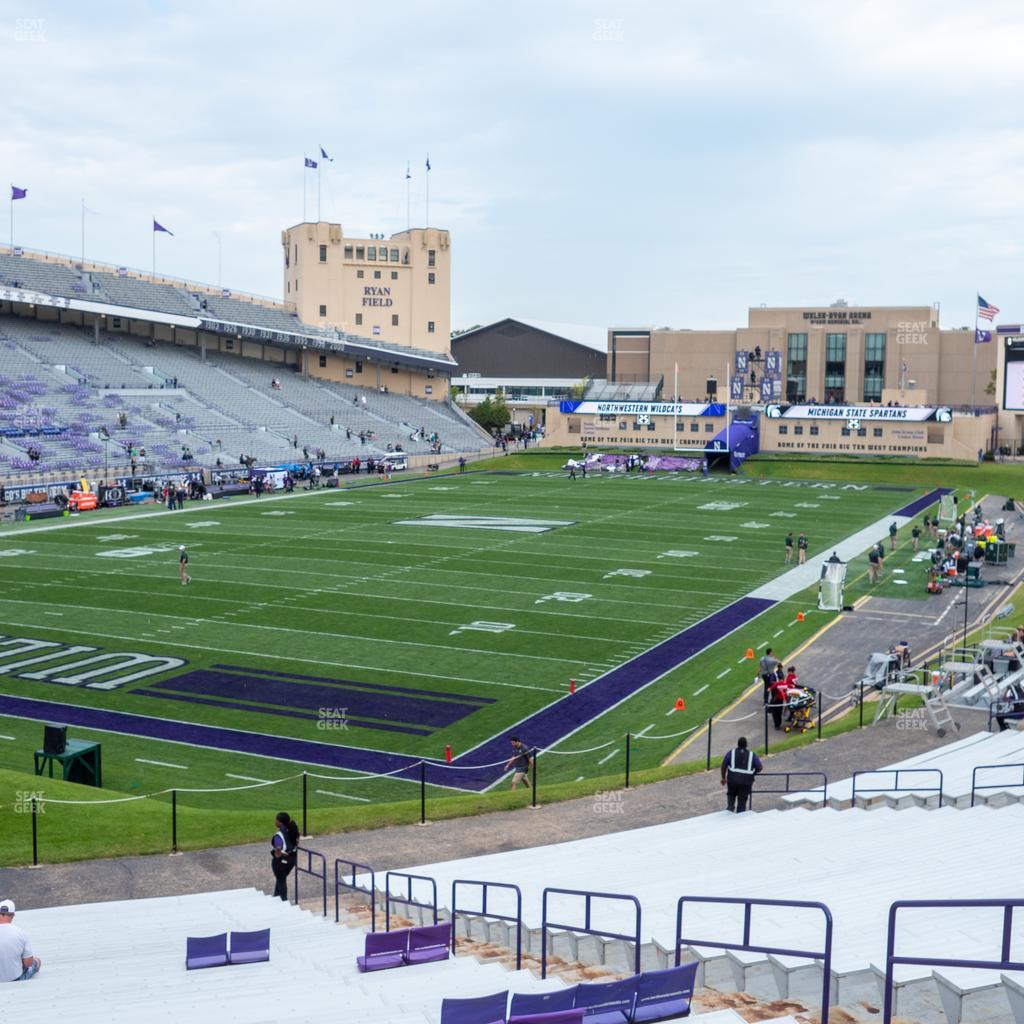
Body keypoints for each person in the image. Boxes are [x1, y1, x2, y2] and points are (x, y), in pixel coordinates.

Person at [0, 899, 41, 982]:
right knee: (36, 961)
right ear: (13, 915)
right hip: (15, 978)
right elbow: (28, 963)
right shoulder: (20, 933)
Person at [720, 737, 762, 813]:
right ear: (746, 745)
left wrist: (723, 778)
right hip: (746, 783)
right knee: (742, 805)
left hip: (732, 782)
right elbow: (759, 767)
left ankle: (729, 811)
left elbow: (724, 765)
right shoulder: (752, 755)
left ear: (738, 744)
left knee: (731, 798)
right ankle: (740, 821)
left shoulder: (731, 753)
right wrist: (753, 773)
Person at [271, 812, 300, 900]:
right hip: (292, 860)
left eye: (276, 820)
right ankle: (276, 896)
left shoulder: (279, 835)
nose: (275, 821)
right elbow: (297, 842)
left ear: (280, 822)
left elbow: (278, 848)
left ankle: (284, 900)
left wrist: (277, 857)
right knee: (280, 879)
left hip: (281, 862)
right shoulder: (293, 830)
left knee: (281, 880)